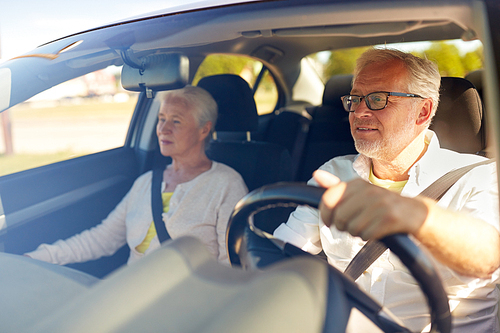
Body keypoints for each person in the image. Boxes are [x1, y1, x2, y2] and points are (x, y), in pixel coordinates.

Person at [274, 48, 500, 332]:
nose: (359, 111)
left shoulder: (482, 176)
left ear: (423, 111)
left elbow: (488, 256)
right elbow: (281, 255)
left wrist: (414, 215)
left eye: (378, 99)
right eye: (355, 99)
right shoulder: (334, 173)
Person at [26, 86, 248, 265]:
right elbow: (101, 239)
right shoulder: (146, 182)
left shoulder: (226, 184)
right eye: (162, 118)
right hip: (130, 292)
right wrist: (37, 258)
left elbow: (229, 264)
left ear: (204, 129)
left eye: (176, 121)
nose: (163, 129)